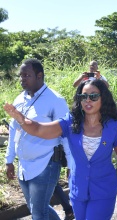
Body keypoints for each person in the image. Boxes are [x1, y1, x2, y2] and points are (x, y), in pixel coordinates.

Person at [4, 79, 117, 220]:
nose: (88, 100)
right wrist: (21, 119)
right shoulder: (71, 122)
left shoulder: (114, 126)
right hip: (78, 191)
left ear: (103, 98)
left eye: (93, 96)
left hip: (104, 191)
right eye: (83, 97)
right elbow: (39, 129)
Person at [5, 58, 70, 220]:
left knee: (38, 212)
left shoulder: (55, 100)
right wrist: (9, 160)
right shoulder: (19, 99)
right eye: (21, 75)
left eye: (27, 75)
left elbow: (66, 134)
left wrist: (71, 164)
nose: (22, 79)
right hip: (24, 165)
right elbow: (14, 131)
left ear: (39, 76)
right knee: (36, 208)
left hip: (46, 164)